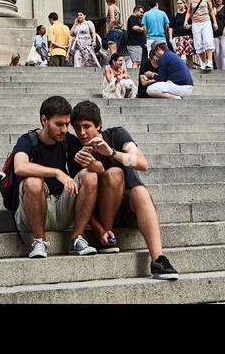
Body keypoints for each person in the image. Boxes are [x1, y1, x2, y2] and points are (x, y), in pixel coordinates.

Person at [70, 99, 179, 278]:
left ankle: (158, 259)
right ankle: (106, 237)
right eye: (77, 127)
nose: (81, 132)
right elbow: (80, 199)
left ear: (99, 125)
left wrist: (112, 153)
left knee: (138, 189)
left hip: (129, 206)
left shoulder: (117, 135)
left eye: (86, 126)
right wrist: (100, 230)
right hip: (100, 211)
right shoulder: (76, 150)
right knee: (111, 174)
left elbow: (142, 164)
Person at [9, 96, 100, 259]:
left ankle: (77, 238)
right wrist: (57, 172)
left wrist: (96, 158)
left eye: (67, 124)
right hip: (30, 213)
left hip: (61, 208)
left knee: (90, 176)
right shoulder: (28, 140)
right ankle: (39, 241)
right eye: (59, 124)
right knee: (33, 181)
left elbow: (98, 170)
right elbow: (20, 166)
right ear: (44, 120)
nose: (65, 129)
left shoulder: (68, 141)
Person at [186, 0, 217, 72]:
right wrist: (186, 21)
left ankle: (210, 61)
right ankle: (203, 63)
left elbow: (211, 11)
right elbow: (188, 12)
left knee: (207, 41)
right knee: (198, 44)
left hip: (206, 22)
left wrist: (214, 22)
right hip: (195, 23)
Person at [168, 0, 195, 65]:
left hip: (187, 36)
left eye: (180, 3)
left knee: (189, 55)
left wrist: (190, 26)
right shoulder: (175, 14)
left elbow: (194, 23)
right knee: (178, 55)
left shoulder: (188, 13)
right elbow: (171, 26)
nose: (179, 5)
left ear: (184, 4)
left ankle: (191, 70)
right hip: (178, 37)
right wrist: (170, 37)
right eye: (177, 4)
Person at [123, 5, 147, 76]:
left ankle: (135, 77)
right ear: (136, 11)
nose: (142, 14)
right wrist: (143, 29)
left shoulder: (136, 19)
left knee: (137, 62)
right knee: (136, 62)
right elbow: (135, 28)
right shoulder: (132, 18)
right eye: (141, 12)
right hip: (134, 45)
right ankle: (134, 77)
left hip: (137, 45)